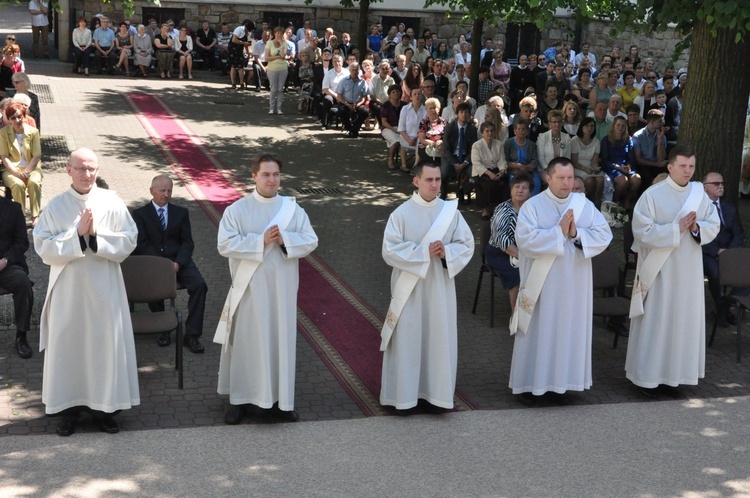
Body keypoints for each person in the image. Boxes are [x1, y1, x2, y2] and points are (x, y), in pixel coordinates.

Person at [33, 147, 140, 437]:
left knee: (103, 349)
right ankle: (67, 412)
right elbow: (42, 246)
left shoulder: (112, 201)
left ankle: (104, 411)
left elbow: (130, 239)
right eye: (80, 168)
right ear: (68, 170)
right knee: (69, 350)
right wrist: (77, 235)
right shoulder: (56, 206)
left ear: (98, 170)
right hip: (69, 292)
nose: (87, 174)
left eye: (92, 168)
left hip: (105, 291)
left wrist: (96, 237)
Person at [216, 153, 318, 424]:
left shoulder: (293, 210)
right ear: (253, 176)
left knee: (278, 343)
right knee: (248, 344)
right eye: (265, 174)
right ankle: (240, 400)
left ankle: (280, 403)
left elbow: (310, 241)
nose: (271, 180)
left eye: (275, 175)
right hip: (249, 291)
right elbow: (224, 245)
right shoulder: (237, 210)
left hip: (281, 291)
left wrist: (286, 238)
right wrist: (258, 241)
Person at [509, 157, 612, 406]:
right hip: (542, 285)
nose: (566, 183)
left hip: (574, 283)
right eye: (561, 178)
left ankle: (561, 385)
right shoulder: (532, 207)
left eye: (570, 178)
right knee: (539, 330)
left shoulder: (583, 205)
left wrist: (576, 234)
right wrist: (558, 233)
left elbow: (604, 234)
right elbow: (525, 241)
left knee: (567, 329)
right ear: (548, 178)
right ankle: (530, 386)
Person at [380, 160, 474, 414]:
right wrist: (423, 252)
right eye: (429, 180)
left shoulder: (451, 212)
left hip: (439, 290)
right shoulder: (400, 214)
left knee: (437, 338)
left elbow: (466, 245)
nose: (435, 185)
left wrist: (447, 252)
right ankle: (405, 398)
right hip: (409, 291)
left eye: (438, 180)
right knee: (409, 339)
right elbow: (389, 251)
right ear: (416, 181)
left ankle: (437, 396)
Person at [626, 146, 720, 398]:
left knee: (681, 323)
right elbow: (641, 231)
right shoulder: (653, 195)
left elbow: (713, 223)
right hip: (660, 272)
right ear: (670, 167)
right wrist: (674, 228)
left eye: (691, 166)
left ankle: (674, 378)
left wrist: (696, 228)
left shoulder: (699, 194)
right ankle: (646, 379)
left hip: (688, 270)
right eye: (682, 166)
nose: (688, 171)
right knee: (656, 322)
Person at [131, 174, 208, 354]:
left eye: (169, 191)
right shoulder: (139, 214)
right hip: (154, 263)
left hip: (179, 262)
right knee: (152, 286)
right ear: (152, 191)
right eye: (162, 191)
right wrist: (162, 266)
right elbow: (140, 244)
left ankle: (192, 334)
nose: (166, 194)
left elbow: (187, 242)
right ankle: (163, 329)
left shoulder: (181, 213)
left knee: (200, 286)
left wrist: (178, 263)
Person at [701, 172, 747, 326]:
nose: (720, 186)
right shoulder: (698, 208)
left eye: (722, 183)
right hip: (706, 253)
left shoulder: (729, 208)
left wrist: (729, 252)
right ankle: (723, 311)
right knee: (716, 273)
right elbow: (697, 235)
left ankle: (725, 305)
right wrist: (717, 252)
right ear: (705, 187)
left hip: (729, 253)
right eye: (715, 184)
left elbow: (738, 234)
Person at [485, 173, 532, 311]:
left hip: (525, 251)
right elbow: (502, 240)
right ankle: (517, 318)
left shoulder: (533, 209)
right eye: (517, 187)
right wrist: (524, 258)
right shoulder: (503, 209)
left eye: (525, 188)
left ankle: (536, 316)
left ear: (530, 193)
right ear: (511, 190)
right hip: (500, 253)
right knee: (517, 275)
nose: (520, 190)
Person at [0, 194, 34, 359]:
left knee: (23, 283)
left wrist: (5, 260)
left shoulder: (13, 209)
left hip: (7, 265)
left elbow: (21, 242)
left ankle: (22, 336)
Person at [0, 103, 42, 226]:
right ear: (9, 119)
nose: (17, 120)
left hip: (31, 167)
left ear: (24, 116)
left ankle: (35, 216)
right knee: (17, 185)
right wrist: (16, 172)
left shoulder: (33, 132)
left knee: (34, 182)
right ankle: (21, 216)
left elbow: (37, 155)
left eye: (19, 117)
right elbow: (4, 156)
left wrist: (27, 172)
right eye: (13, 118)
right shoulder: (3, 133)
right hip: (11, 169)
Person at [472, 121, 509, 219]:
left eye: (492, 131)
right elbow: (477, 163)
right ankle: (485, 209)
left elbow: (502, 160)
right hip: (482, 171)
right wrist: (489, 174)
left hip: (496, 169)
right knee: (488, 183)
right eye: (487, 131)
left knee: (502, 183)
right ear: (482, 133)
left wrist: (501, 171)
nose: (490, 133)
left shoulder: (499, 144)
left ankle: (499, 207)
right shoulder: (476, 145)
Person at [440, 101, 476, 200]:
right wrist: (454, 163)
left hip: (466, 158)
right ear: (457, 114)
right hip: (451, 156)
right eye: (462, 112)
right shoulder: (449, 127)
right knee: (444, 173)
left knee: (475, 175)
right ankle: (443, 194)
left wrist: (465, 163)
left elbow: (473, 149)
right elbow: (446, 148)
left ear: (469, 114)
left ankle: (463, 190)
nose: (464, 115)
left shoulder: (472, 129)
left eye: (466, 112)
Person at [570, 116, 604, 207]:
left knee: (600, 179)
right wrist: (585, 169)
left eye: (592, 126)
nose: (589, 128)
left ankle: (597, 202)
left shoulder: (596, 142)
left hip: (590, 167)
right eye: (587, 126)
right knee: (589, 181)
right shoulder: (575, 141)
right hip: (578, 167)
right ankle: (589, 201)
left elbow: (594, 161)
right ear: (582, 127)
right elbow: (574, 161)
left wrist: (596, 168)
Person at [335, 61, 369, 137]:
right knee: (341, 111)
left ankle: (354, 129)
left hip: (358, 103)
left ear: (359, 70)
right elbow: (339, 95)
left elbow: (365, 96)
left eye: (356, 70)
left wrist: (358, 104)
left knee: (365, 112)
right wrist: (347, 104)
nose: (355, 72)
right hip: (345, 103)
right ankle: (350, 129)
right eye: (353, 70)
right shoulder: (343, 81)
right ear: (349, 70)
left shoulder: (363, 82)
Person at [397, 87, 427, 172]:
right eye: (415, 94)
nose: (417, 96)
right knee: (403, 145)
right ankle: (403, 165)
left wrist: (416, 137)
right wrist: (409, 140)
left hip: (419, 136)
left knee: (420, 143)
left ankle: (415, 166)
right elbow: (401, 128)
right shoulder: (405, 109)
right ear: (411, 97)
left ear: (422, 96)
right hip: (405, 136)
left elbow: (424, 128)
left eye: (419, 94)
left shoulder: (425, 110)